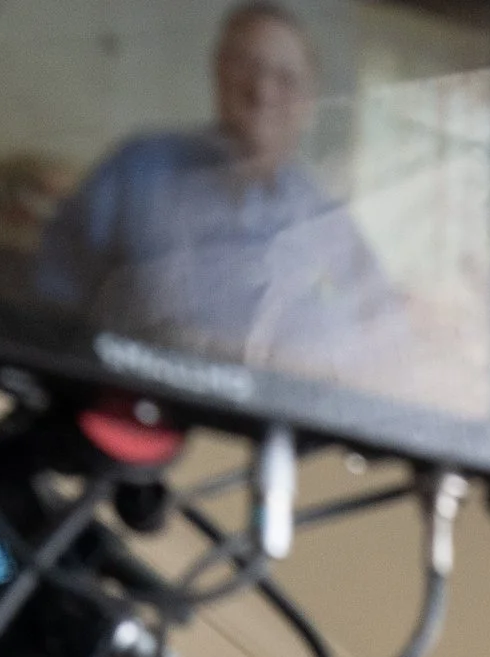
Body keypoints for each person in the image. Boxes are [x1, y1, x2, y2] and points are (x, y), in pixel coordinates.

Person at [32, 4, 401, 385]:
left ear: (309, 102)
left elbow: (385, 336)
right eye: (248, 66)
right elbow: (54, 303)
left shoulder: (325, 218)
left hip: (285, 429)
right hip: (142, 410)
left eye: (286, 78)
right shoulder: (138, 170)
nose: (262, 91)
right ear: (219, 71)